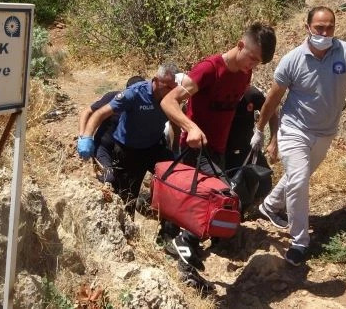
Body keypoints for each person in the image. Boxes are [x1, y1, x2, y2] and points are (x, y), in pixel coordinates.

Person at [253, 6, 346, 267]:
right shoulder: (292, 60)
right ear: (307, 28)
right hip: (294, 128)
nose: (324, 32)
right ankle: (300, 242)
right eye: (319, 28)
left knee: (299, 176)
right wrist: (261, 130)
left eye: (329, 27)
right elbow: (272, 98)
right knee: (299, 180)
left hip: (325, 131)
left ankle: (269, 205)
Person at [160, 21, 277, 290]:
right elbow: (168, 101)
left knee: (196, 203)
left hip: (219, 150)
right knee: (218, 198)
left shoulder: (244, 75)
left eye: (258, 63)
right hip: (195, 147)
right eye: (252, 58)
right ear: (240, 45)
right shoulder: (209, 69)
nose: (253, 66)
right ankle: (184, 245)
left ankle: (181, 249)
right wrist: (190, 127)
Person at [78, 64, 179, 216]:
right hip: (129, 150)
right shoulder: (134, 94)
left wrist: (175, 150)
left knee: (175, 177)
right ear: (156, 81)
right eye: (168, 87)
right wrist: (85, 136)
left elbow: (175, 122)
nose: (172, 92)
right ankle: (125, 229)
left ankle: (167, 226)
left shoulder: (173, 96)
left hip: (153, 147)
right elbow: (99, 114)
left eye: (174, 88)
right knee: (127, 197)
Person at [77, 75, 145, 184]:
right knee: (109, 178)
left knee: (127, 183)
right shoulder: (114, 98)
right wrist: (83, 137)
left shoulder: (145, 106)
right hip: (104, 148)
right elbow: (87, 112)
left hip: (125, 151)